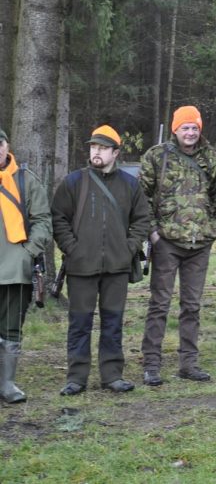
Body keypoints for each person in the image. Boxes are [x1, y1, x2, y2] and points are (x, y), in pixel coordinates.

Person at [52, 126, 150, 395]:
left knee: (113, 322)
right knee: (80, 322)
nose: (96, 152)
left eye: (103, 148)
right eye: (93, 147)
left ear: (115, 152)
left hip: (117, 267)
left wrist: (129, 248)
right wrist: (72, 248)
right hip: (81, 266)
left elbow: (142, 219)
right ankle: (76, 377)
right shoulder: (73, 182)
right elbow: (58, 218)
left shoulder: (130, 185)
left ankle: (112, 375)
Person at [140, 106, 216, 386]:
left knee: (192, 306)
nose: (190, 133)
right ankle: (151, 364)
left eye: (194, 128)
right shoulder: (157, 156)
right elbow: (141, 196)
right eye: (185, 127)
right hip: (167, 242)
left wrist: (213, 230)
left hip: (199, 244)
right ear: (175, 129)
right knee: (159, 305)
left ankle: (188, 363)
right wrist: (153, 232)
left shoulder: (210, 157)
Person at [0, 128, 52, 403]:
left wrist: (28, 252)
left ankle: (7, 385)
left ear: (7, 145)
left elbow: (43, 219)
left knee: (11, 328)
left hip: (14, 270)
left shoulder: (26, 180)